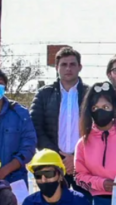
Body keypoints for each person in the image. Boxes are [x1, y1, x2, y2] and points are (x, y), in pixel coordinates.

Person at [29, 47, 88, 190]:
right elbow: (36, 127)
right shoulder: (44, 94)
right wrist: (57, 157)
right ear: (57, 67)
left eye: (72, 64)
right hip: (52, 164)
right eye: (63, 64)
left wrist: (75, 158)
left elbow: (96, 130)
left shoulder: (90, 94)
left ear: (80, 67)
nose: (68, 68)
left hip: (85, 165)